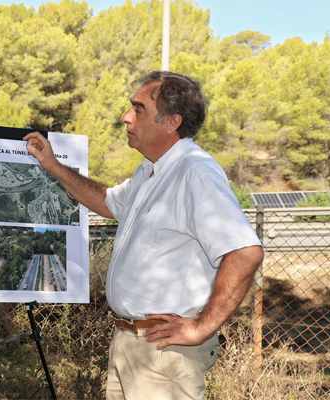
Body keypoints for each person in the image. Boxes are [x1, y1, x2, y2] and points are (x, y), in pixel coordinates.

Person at [24, 71, 264, 400]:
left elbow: (245, 253)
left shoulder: (195, 172)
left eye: (139, 109)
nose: (126, 117)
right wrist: (52, 165)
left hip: (164, 355)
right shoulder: (151, 170)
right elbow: (107, 202)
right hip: (132, 344)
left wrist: (200, 327)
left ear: (171, 122)